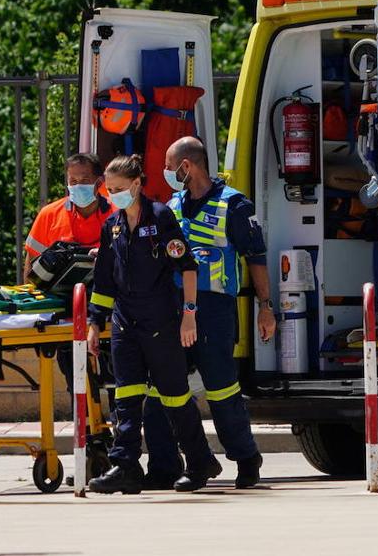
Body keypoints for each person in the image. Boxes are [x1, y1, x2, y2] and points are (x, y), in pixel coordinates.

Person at [142, 136, 275, 489]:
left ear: (187, 166)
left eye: (170, 167)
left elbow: (256, 259)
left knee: (221, 388)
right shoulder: (171, 206)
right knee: (162, 390)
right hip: (174, 309)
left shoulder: (234, 206)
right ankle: (167, 464)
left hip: (214, 309)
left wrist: (266, 307)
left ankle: (246, 459)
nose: (167, 174)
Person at [85, 154, 222, 494]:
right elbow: (104, 280)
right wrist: (93, 323)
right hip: (124, 322)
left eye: (118, 188)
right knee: (126, 396)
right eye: (108, 189)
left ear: (136, 184)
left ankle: (200, 461)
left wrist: (189, 314)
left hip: (161, 320)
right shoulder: (111, 226)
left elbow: (187, 267)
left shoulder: (160, 217)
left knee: (175, 397)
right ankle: (125, 465)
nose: (112, 194)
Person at [24, 153, 114, 393]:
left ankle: (119, 421)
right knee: (75, 376)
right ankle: (83, 425)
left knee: (115, 373)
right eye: (72, 181)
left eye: (83, 180)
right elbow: (30, 269)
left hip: (108, 305)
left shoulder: (117, 214)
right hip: (64, 307)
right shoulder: (49, 215)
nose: (76, 186)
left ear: (99, 182)